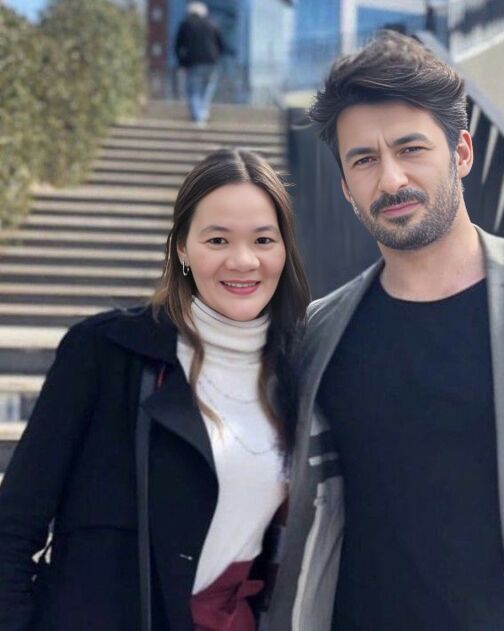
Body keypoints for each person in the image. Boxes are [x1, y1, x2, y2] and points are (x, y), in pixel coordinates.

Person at [266, 31, 504, 630]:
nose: (391, 180)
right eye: (364, 160)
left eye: (411, 149)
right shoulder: (320, 332)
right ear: (345, 187)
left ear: (461, 153)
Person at [0, 148, 310, 630]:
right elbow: (14, 527)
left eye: (263, 239)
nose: (242, 260)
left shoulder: (299, 370)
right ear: (182, 249)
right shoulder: (104, 353)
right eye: (217, 239)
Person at [175, 2, 227, 125]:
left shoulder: (185, 24)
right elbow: (221, 44)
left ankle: (198, 117)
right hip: (211, 62)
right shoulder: (212, 24)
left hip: (193, 63)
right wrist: (217, 57)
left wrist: (181, 61)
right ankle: (203, 113)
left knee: (193, 91)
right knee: (207, 89)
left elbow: (178, 45)